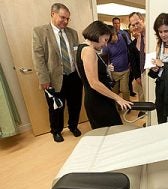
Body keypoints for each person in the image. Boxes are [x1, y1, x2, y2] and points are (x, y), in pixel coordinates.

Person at [32, 3, 83, 142]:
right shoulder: (40, 32)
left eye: (68, 19)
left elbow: (76, 53)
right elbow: (38, 58)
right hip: (53, 79)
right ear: (53, 14)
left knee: (75, 105)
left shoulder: (72, 33)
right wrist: (43, 79)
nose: (65, 21)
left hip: (73, 76)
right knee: (56, 107)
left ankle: (73, 126)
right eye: (62, 17)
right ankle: (56, 131)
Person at [76, 21, 132, 129]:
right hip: (99, 102)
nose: (106, 44)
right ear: (97, 34)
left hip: (99, 99)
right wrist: (118, 98)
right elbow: (94, 83)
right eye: (105, 40)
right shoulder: (89, 51)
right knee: (112, 133)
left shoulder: (82, 48)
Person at [102, 26, 130, 101]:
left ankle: (128, 105)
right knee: (114, 92)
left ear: (115, 34)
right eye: (108, 39)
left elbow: (130, 48)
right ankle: (116, 108)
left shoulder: (123, 36)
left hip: (125, 70)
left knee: (125, 90)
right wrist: (107, 66)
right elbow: (103, 59)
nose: (110, 41)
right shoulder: (106, 45)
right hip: (114, 73)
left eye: (111, 38)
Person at [129, 12, 146, 117]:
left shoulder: (151, 38)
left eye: (137, 23)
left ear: (142, 21)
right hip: (141, 73)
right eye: (133, 25)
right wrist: (137, 76)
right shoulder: (132, 45)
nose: (135, 26)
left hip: (153, 72)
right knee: (141, 93)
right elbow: (133, 62)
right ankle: (143, 110)